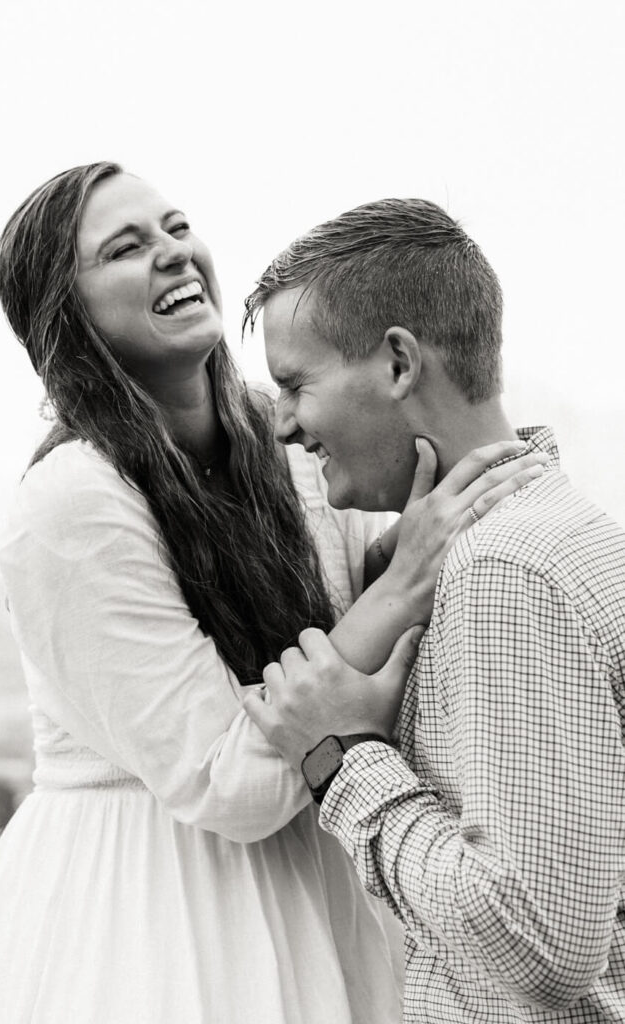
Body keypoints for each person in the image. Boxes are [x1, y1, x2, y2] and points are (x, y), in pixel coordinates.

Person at [0, 166, 544, 1024]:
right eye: (126, 247)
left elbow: (354, 606)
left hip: (322, 880)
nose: (172, 252)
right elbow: (232, 784)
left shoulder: (283, 436)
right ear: (65, 317)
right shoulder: (69, 505)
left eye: (175, 226)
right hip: (153, 915)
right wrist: (403, 581)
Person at [244, 198, 625, 1023]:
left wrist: (342, 757)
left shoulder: (505, 573)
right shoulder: (550, 536)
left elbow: (537, 947)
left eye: (294, 384)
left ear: (397, 365)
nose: (279, 425)